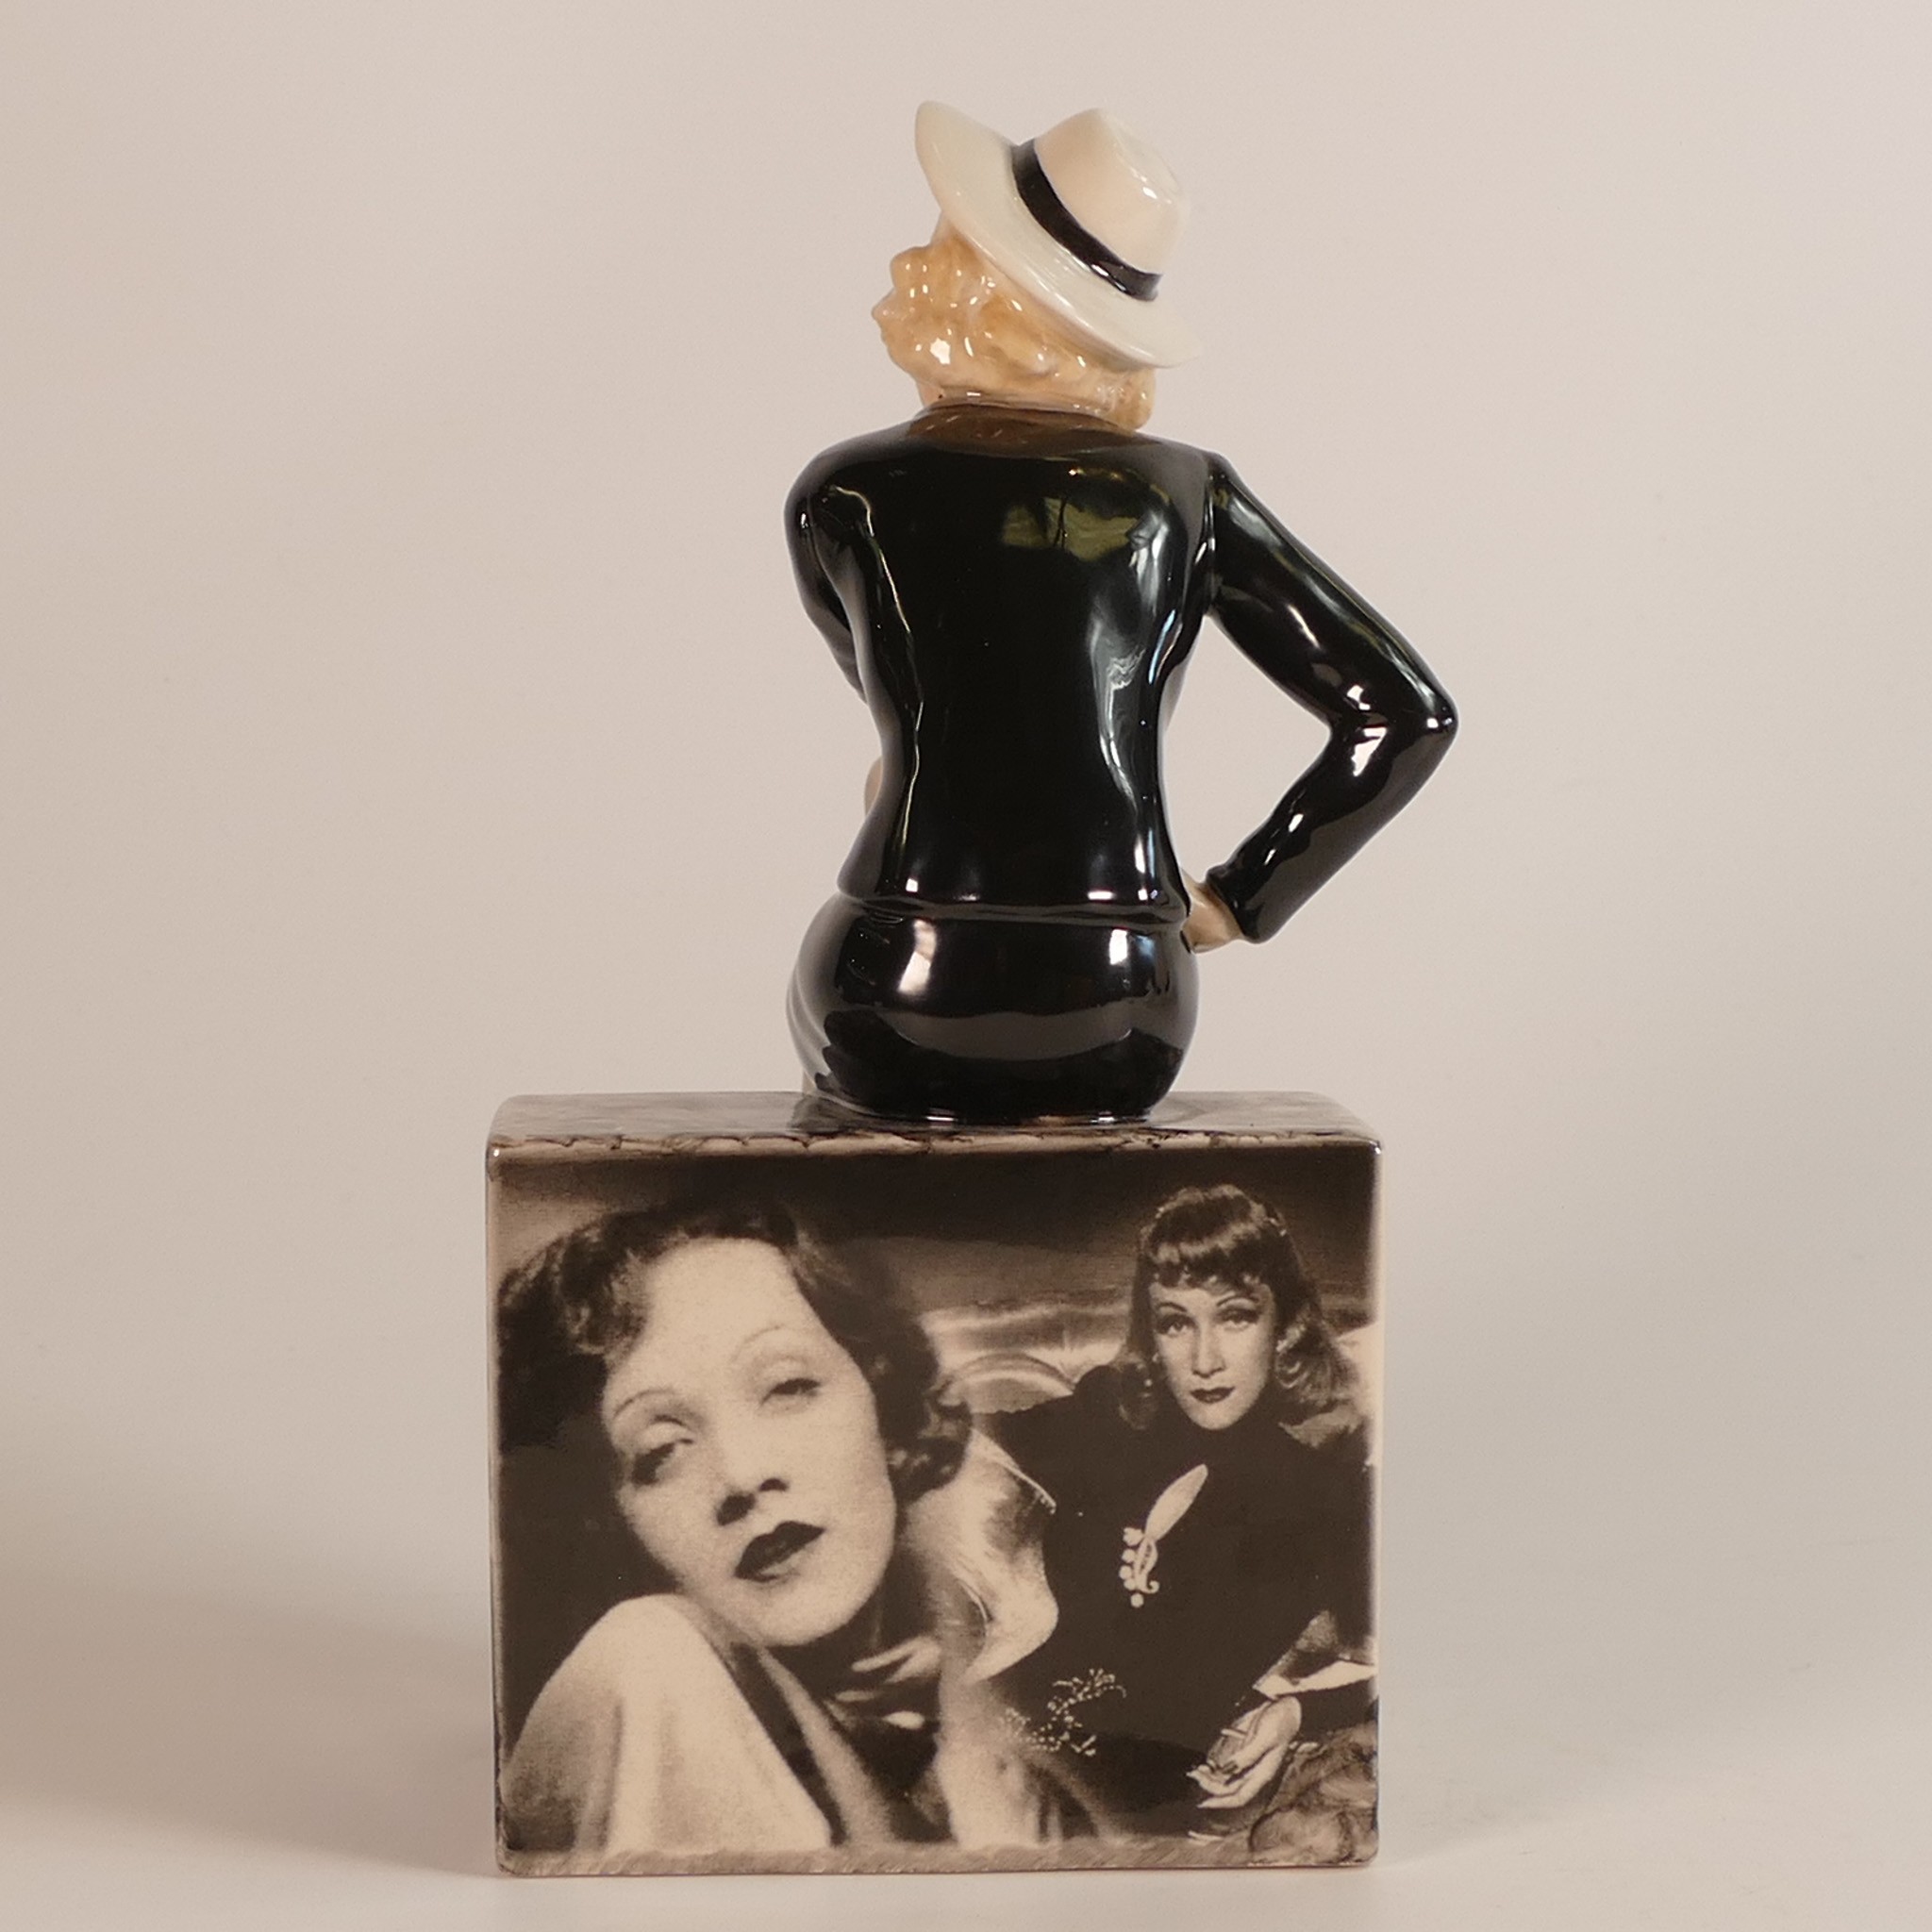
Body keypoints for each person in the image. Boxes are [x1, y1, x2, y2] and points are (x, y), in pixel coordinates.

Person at [788, 104, 1456, 1124]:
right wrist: (1241, 897)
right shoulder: (1186, 496)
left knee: (850, 1133)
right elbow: (1403, 712)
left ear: (985, 294)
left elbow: (897, 703)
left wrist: (918, 771)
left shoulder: (844, 493)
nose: (910, 266)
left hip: (901, 971)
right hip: (1122, 997)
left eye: (942, 246)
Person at [495, 1199, 1083, 1865]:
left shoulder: (1009, 1784)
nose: (742, 1474)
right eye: (661, 1451)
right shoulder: (644, 1660)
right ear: (605, 1523)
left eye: (787, 1387)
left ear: (885, 1408)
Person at [983, 1184, 1376, 1844]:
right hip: (974, 1755)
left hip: (1120, 1818)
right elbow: (948, 1440)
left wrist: (1295, 1714)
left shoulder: (1326, 1493)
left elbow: (1426, 1660)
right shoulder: (1106, 1413)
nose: (1204, 1360)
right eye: (1175, 1323)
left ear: (1283, 1325)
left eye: (1235, 1317)